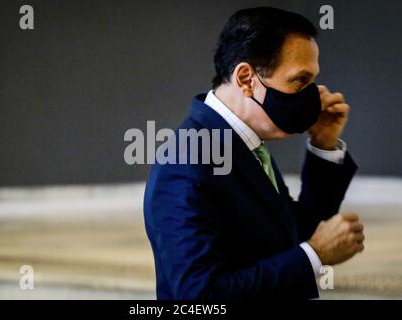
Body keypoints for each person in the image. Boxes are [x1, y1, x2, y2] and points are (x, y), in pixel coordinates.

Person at [143, 7, 364, 299]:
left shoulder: (243, 143)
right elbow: (199, 296)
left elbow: (289, 233)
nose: (313, 95)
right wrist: (314, 255)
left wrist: (323, 145)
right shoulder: (186, 163)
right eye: (300, 80)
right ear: (246, 79)